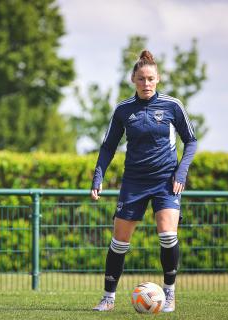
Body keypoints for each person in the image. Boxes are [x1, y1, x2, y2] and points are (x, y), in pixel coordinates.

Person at [91, 50, 197, 313]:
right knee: (119, 242)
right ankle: (108, 299)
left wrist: (181, 172)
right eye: (141, 79)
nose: (146, 83)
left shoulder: (173, 106)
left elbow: (191, 141)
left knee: (168, 234)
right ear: (133, 80)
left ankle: (169, 295)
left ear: (158, 79)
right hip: (134, 182)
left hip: (166, 182)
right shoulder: (123, 110)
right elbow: (108, 147)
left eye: (150, 79)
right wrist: (98, 176)